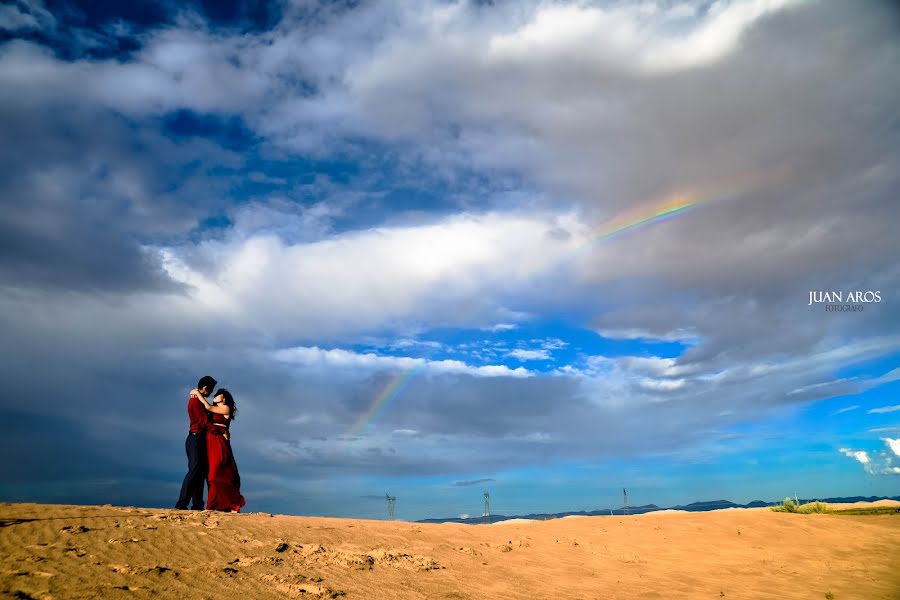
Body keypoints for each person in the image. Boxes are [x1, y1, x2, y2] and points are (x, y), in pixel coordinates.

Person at [190, 387, 246, 512]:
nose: (215, 396)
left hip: (219, 440)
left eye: (218, 394)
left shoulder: (226, 408)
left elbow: (208, 407)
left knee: (216, 473)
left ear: (224, 397)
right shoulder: (216, 410)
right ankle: (219, 505)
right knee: (213, 473)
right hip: (211, 439)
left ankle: (222, 504)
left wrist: (197, 393)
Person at [176, 375, 217, 510]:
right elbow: (204, 422)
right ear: (205, 388)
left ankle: (197, 504)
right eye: (210, 389)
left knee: (200, 472)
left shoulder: (198, 399)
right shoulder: (195, 401)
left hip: (199, 439)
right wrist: (220, 432)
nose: (211, 392)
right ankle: (182, 503)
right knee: (194, 471)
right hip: (195, 439)